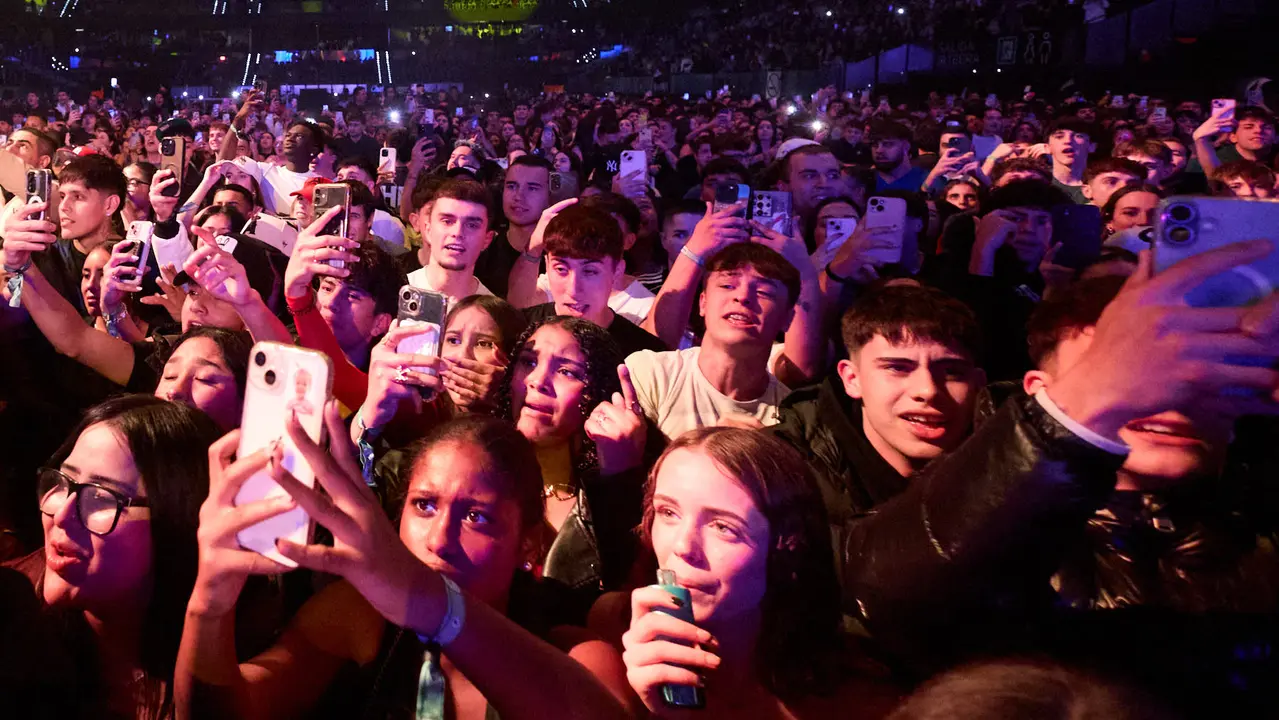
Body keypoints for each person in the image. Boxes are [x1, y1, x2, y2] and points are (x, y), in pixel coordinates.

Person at [837, 243, 1279, 716]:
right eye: (1132, 373)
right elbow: (888, 590)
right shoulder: (993, 527)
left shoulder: (1259, 521)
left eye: (1194, 375)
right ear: (1043, 394)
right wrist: (1084, 411)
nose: (1166, 398)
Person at [175, 410, 634, 719]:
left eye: (477, 517)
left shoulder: (576, 654)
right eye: (424, 506)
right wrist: (209, 605)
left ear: (529, 544)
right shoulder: (358, 618)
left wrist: (434, 605)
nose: (438, 540)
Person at [592, 428, 901, 719]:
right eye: (668, 512)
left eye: (724, 527)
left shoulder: (855, 700)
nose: (683, 546)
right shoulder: (610, 634)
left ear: (789, 548)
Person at [2, 394, 221, 719]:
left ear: (178, 520)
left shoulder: (229, 659)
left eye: (101, 497)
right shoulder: (12, 621)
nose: (61, 515)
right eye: (62, 481)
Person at [770, 284, 985, 533]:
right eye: (898, 368)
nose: (928, 391)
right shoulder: (778, 474)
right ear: (852, 379)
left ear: (979, 384)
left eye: (951, 372)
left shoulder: (1010, 474)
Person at [629, 239, 819, 439]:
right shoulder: (651, 373)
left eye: (764, 292)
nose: (743, 296)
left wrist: (761, 453)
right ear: (703, 303)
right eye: (728, 285)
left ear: (787, 319)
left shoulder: (791, 419)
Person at [515, 203, 667, 357]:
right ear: (547, 265)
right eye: (561, 269)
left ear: (617, 271)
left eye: (589, 271)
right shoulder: (517, 330)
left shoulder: (644, 354)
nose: (573, 290)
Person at [218, 90, 322, 214]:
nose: (289, 139)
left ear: (313, 149)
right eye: (288, 135)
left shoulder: (321, 185)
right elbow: (222, 165)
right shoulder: (265, 171)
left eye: (299, 136)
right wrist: (238, 120)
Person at [406, 178, 496, 304]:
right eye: (447, 221)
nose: (457, 232)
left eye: (472, 225)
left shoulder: (493, 316)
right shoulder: (393, 292)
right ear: (428, 229)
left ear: (487, 239)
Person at [474, 154, 553, 298]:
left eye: (532, 188)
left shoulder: (559, 259)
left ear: (550, 196)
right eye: (512, 186)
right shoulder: (481, 254)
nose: (518, 196)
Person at [777, 144, 842, 229]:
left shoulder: (857, 234)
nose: (824, 184)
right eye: (809, 176)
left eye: (832, 176)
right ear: (783, 187)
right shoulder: (764, 237)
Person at [869, 120, 929, 193]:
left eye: (887, 144)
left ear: (906, 146)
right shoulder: (863, 180)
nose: (878, 150)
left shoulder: (927, 179)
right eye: (875, 145)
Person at [1045, 117, 1095, 203]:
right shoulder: (1040, 183)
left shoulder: (1101, 185)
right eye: (1059, 136)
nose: (1068, 141)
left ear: (1092, 146)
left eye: (1078, 136)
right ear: (1047, 147)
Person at [1079, 156, 1145, 208]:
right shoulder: (1072, 222)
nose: (1123, 188)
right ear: (1087, 191)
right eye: (1111, 182)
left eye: (1132, 184)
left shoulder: (1149, 221)